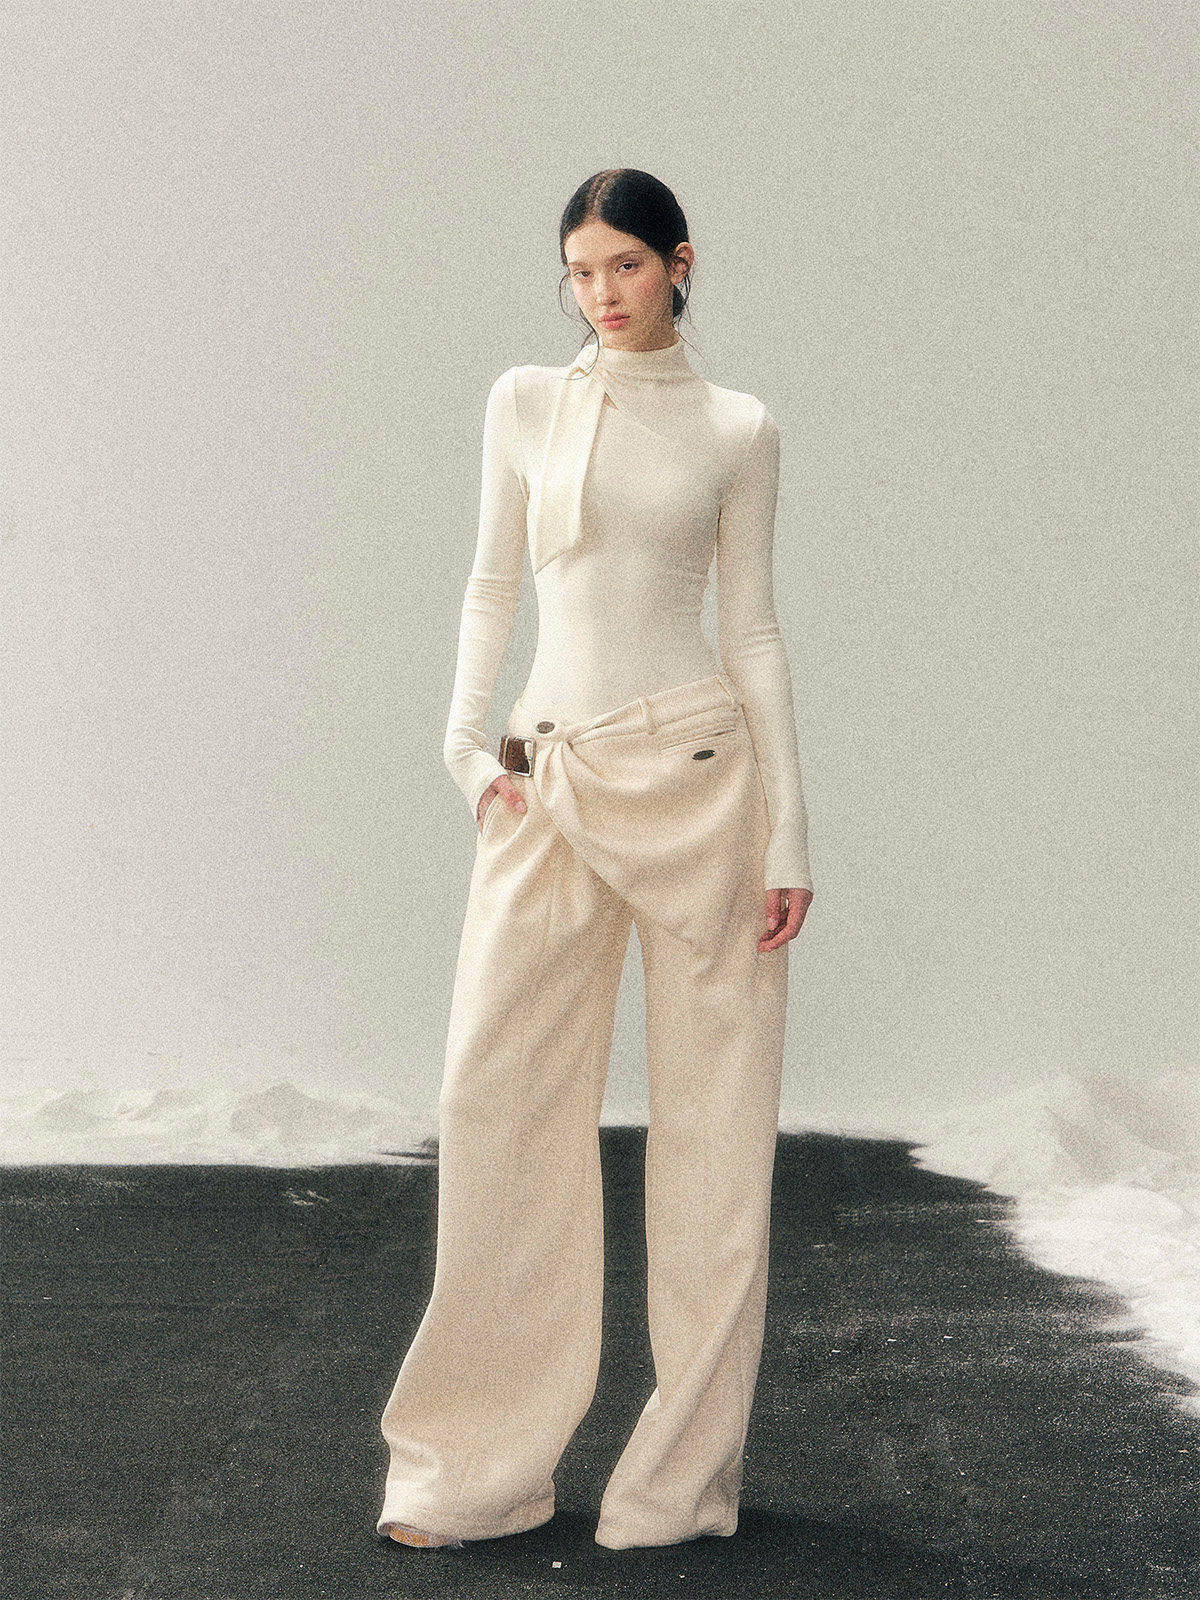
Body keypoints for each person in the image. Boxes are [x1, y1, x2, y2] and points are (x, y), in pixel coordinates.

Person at [377, 167, 815, 1554]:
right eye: (580, 271)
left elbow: (753, 629)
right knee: (498, 1109)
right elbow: (489, 584)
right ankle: (471, 1474)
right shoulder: (525, 401)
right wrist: (465, 753)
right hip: (550, 777)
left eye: (625, 264)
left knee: (716, 1142)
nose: (601, 293)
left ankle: (676, 1489)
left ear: (681, 262)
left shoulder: (739, 427)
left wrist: (791, 828)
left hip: (700, 777)